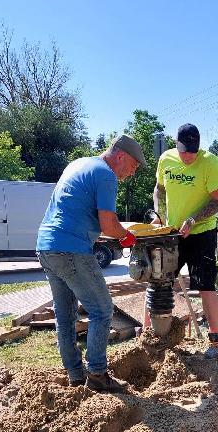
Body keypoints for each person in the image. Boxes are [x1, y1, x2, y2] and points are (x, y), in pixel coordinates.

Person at [36, 134, 145, 392]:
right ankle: (97, 374)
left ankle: (75, 374)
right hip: (71, 248)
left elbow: (88, 218)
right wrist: (128, 236)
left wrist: (117, 233)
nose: (130, 174)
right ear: (120, 156)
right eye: (132, 167)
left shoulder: (78, 164)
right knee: (102, 310)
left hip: (46, 245)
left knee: (65, 315)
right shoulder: (106, 174)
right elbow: (108, 224)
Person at [153, 123, 218, 358]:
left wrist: (193, 219)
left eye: (193, 151)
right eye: (185, 151)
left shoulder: (210, 163)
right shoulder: (166, 159)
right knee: (159, 283)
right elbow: (159, 188)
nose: (189, 156)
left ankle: (216, 340)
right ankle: (150, 336)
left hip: (202, 234)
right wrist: (159, 214)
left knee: (205, 285)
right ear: (176, 145)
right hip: (172, 235)